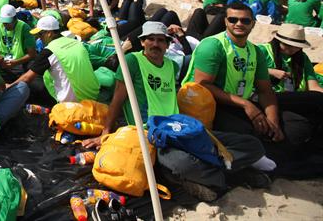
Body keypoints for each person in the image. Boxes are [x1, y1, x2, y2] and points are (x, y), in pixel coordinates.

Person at [82, 22, 268, 201]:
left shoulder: (172, 66)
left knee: (253, 145)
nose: (155, 44)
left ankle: (213, 172)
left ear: (167, 44)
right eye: (150, 39)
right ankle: (224, 173)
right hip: (152, 134)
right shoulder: (132, 61)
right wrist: (106, 132)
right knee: (182, 164)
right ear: (142, 42)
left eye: (161, 40)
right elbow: (118, 99)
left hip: (180, 126)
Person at [182, 2, 318, 175]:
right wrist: (247, 105)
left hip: (238, 105)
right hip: (209, 105)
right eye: (233, 19)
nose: (239, 24)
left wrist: (273, 120)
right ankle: (258, 160)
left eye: (245, 21)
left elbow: (265, 90)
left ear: (253, 23)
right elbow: (204, 85)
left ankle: (264, 156)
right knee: (249, 134)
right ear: (225, 22)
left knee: (293, 127)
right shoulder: (213, 46)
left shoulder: (254, 51)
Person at [10, 15, 100, 104]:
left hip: (75, 100)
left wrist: (9, 87)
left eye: (40, 34)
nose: (39, 38)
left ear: (49, 33)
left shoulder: (49, 51)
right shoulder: (76, 42)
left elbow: (26, 78)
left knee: (31, 84)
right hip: (93, 93)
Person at [260, 23, 323, 94]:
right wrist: (271, 71)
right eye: (288, 45)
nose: (293, 49)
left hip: (294, 97)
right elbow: (247, 69)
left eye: (297, 46)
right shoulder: (262, 51)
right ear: (278, 41)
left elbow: (313, 86)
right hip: (268, 96)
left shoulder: (302, 57)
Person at [0, 4, 36, 81]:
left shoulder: (24, 28)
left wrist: (16, 62)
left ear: (15, 19)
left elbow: (32, 54)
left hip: (20, 62)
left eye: (8, 22)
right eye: (3, 22)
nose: (5, 25)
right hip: (2, 61)